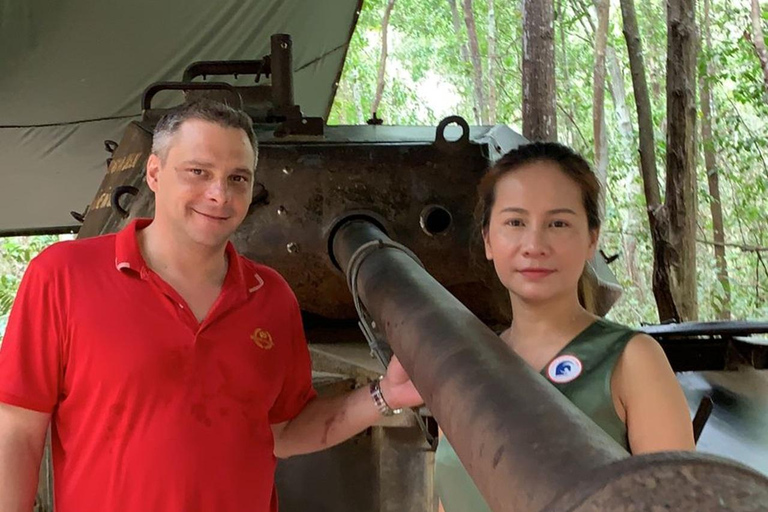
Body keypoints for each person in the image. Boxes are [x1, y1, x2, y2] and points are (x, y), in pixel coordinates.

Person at [0, 99, 420, 512]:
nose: (219, 194)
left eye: (238, 178)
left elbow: (285, 430)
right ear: (154, 172)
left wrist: (385, 394)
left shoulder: (270, 297)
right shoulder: (63, 275)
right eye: (198, 172)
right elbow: (17, 428)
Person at [435, 141, 695, 512]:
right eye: (515, 222)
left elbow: (681, 503)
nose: (534, 244)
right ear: (488, 239)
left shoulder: (629, 360)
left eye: (558, 223)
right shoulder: (462, 369)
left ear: (592, 239)